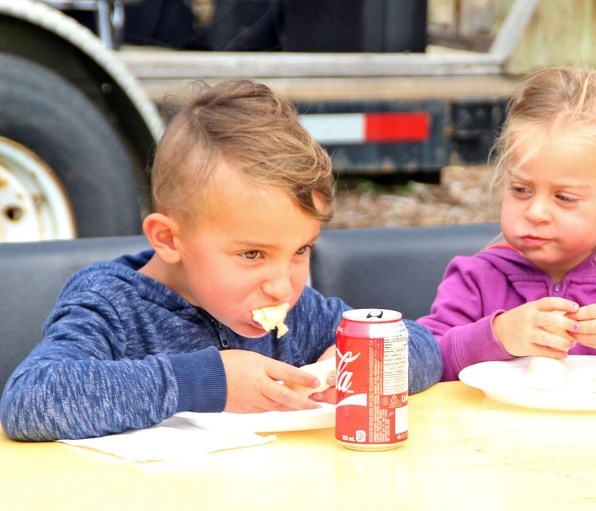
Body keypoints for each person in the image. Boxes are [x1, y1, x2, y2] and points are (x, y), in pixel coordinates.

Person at [0, 80, 442, 441]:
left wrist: (354, 364)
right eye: (252, 254)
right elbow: (30, 401)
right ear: (169, 239)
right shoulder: (112, 305)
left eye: (301, 251)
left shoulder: (298, 312)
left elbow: (425, 349)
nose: (282, 287)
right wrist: (208, 381)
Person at [419, 66, 596, 382]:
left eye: (564, 197)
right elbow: (422, 359)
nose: (536, 212)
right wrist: (498, 334)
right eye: (521, 190)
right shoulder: (476, 280)